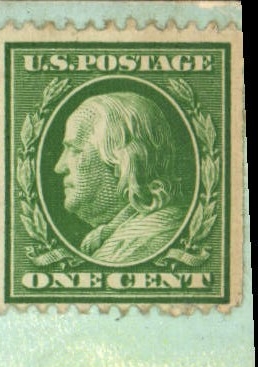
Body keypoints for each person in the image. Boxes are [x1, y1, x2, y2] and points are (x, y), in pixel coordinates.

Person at [53, 93, 189, 266]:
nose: (59, 167)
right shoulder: (114, 238)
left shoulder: (143, 240)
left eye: (75, 150)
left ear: (123, 162)